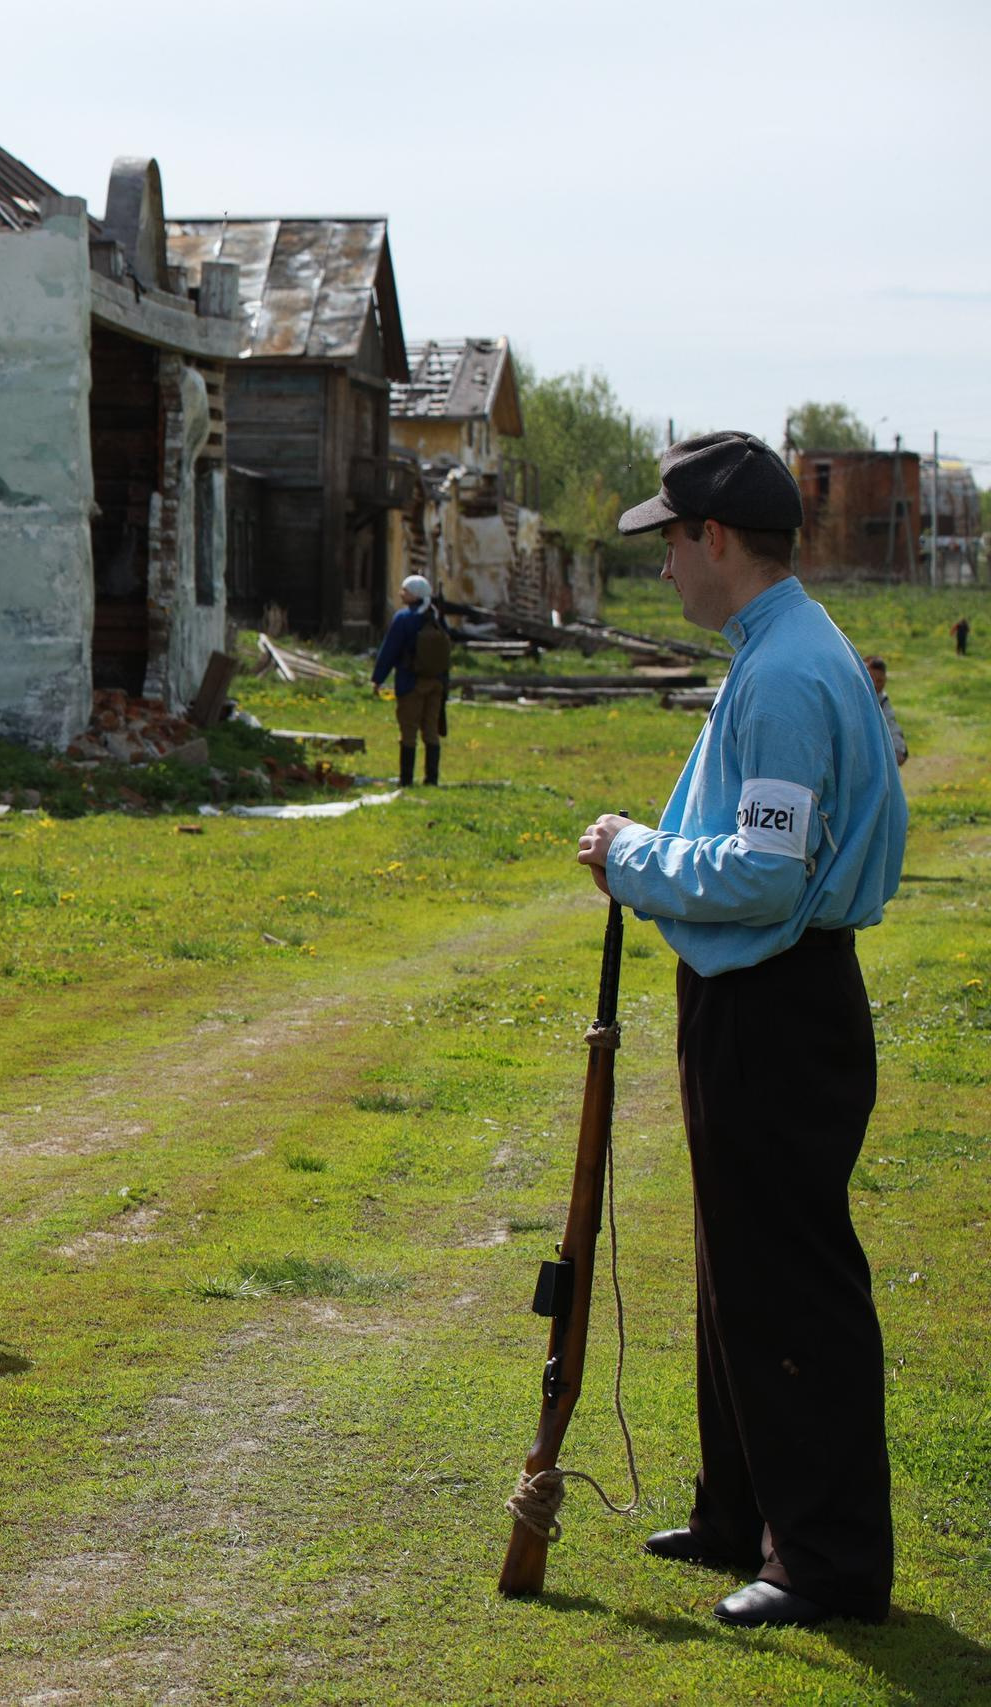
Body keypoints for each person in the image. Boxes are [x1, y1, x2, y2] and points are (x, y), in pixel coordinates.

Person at [575, 430, 905, 1631]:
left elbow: (763, 877)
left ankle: (823, 1561)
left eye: (668, 542)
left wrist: (632, 855)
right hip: (759, 996)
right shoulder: (786, 652)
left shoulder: (781, 675)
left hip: (777, 999)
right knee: (738, 1265)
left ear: (714, 538)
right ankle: (741, 1511)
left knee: (790, 1281)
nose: (662, 567)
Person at [371, 574, 453, 786]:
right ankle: (431, 779)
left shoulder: (403, 618)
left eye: (405, 591)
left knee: (408, 731)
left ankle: (406, 780)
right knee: (431, 731)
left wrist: (378, 678)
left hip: (411, 682)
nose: (401, 594)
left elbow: (390, 650)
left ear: (414, 595)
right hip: (436, 682)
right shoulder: (437, 618)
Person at [864, 655, 908, 768]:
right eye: (871, 679)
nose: (875, 685)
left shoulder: (882, 699)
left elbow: (890, 723)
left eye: (879, 681)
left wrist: (899, 749)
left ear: (885, 680)